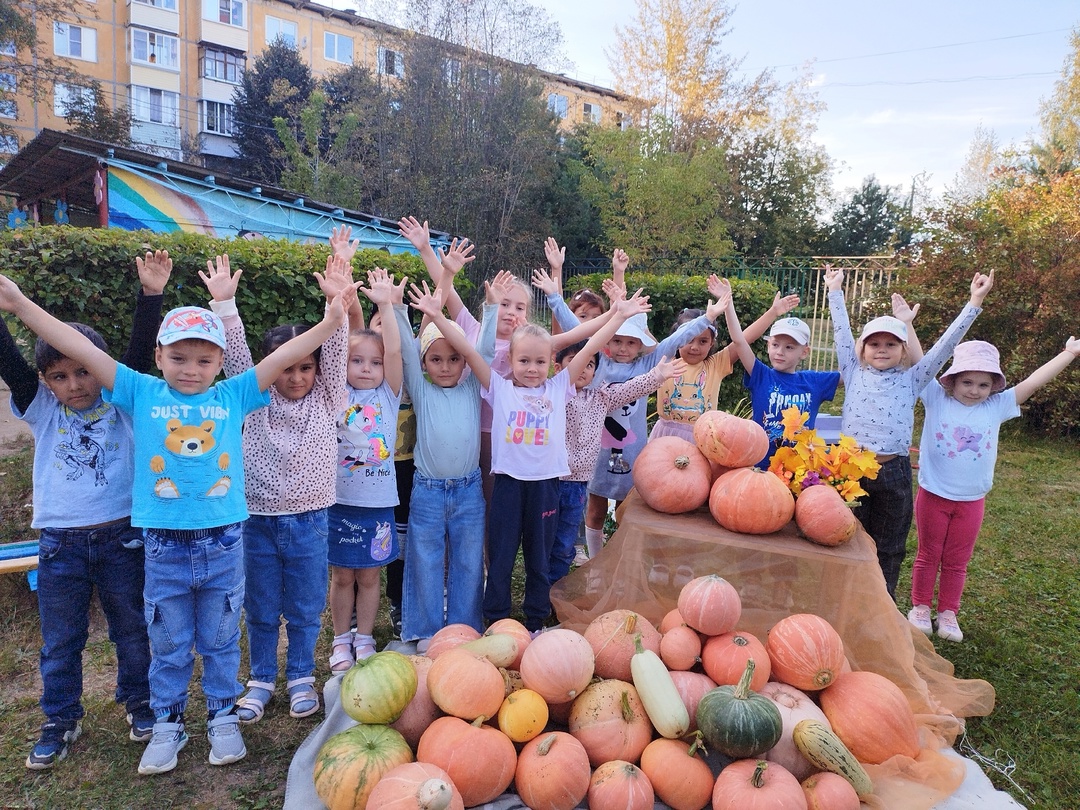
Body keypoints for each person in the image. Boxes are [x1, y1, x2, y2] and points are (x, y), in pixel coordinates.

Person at [0, 269, 352, 776]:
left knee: (220, 637)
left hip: (225, 543)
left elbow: (279, 359)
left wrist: (332, 319)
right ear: (159, 357)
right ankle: (167, 723)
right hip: (162, 545)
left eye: (205, 359)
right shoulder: (138, 391)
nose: (191, 369)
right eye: (179, 357)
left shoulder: (233, 396)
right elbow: (72, 344)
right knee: (166, 641)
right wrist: (21, 304)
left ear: (220, 362)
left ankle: (222, 716)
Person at [1, 251, 170, 770]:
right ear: (45, 381)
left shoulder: (123, 400)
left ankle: (140, 704)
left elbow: (138, 356)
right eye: (60, 375)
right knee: (61, 640)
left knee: (133, 629)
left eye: (83, 372)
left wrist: (151, 298)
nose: (74, 384)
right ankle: (59, 719)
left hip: (122, 536)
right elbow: (9, 360)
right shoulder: (39, 404)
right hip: (60, 545)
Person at [411, 280, 652, 633]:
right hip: (509, 486)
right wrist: (437, 316)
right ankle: (496, 618)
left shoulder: (559, 387)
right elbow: (468, 348)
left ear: (550, 365)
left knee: (539, 558)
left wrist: (617, 317)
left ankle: (537, 619)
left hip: (545, 487)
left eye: (540, 361)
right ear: (511, 361)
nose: (532, 368)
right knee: (503, 556)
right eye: (524, 360)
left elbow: (590, 348)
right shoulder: (499, 388)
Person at [200, 249, 355, 724]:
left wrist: (338, 308)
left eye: (305, 367)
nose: (296, 376)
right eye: (286, 367)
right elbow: (240, 359)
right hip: (258, 522)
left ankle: (302, 676)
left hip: (311, 520)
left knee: (307, 606)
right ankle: (263, 678)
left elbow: (333, 348)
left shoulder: (330, 395)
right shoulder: (253, 400)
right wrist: (225, 306)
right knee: (262, 606)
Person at [825, 265, 994, 598]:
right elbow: (841, 332)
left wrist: (974, 302)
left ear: (904, 350)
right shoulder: (852, 369)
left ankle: (880, 603)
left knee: (889, 546)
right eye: (874, 343)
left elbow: (945, 348)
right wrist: (834, 291)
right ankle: (842, 595)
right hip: (849, 472)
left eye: (891, 343)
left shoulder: (913, 378)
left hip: (893, 473)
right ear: (861, 350)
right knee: (843, 538)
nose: (882, 348)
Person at [908, 338, 1080, 641]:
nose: (974, 390)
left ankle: (948, 613)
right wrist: (907, 323)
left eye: (983, 385)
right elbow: (922, 361)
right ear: (952, 381)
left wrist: (1067, 353)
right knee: (928, 554)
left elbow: (1033, 382)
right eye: (967, 382)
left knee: (957, 560)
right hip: (934, 495)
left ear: (993, 387)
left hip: (972, 501)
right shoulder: (935, 396)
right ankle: (920, 607)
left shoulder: (998, 406)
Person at [582, 287, 725, 561]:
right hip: (598, 455)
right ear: (608, 342)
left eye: (631, 342)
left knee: (627, 513)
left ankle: (619, 560)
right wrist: (555, 297)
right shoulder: (598, 364)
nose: (624, 348)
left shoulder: (648, 364)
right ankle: (595, 561)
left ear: (640, 345)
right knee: (596, 510)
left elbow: (677, 339)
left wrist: (707, 318)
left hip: (633, 456)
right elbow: (577, 335)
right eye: (618, 341)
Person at [393, 278, 498, 650]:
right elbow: (405, 351)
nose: (446, 366)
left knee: (470, 560)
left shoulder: (472, 386)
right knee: (425, 558)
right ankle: (424, 627)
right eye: (436, 359)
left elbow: (481, 353)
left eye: (454, 359)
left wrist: (491, 308)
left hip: (469, 490)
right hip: (429, 491)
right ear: (424, 363)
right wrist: (398, 309)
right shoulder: (421, 388)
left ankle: (463, 626)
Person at [327, 268, 405, 669]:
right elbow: (336, 342)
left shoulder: (389, 396)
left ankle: (364, 638)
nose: (366, 367)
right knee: (342, 576)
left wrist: (386, 306)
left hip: (377, 505)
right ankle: (341, 639)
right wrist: (341, 301)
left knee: (371, 576)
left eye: (373, 362)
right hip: (339, 502)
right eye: (356, 360)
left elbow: (393, 352)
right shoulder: (334, 393)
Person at [553, 340, 683, 577]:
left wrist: (657, 375)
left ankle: (561, 582)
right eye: (575, 362)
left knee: (565, 539)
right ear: (558, 367)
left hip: (579, 481)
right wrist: (554, 301)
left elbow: (630, 389)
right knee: (546, 535)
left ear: (596, 370)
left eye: (589, 364)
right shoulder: (552, 392)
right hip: (550, 479)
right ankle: (543, 585)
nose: (582, 368)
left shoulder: (600, 397)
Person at [651, 275, 800, 445]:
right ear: (677, 338)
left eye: (703, 341)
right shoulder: (664, 360)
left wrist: (772, 312)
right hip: (664, 437)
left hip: (701, 438)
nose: (694, 347)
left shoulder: (716, 364)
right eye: (688, 339)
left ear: (711, 343)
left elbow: (744, 339)